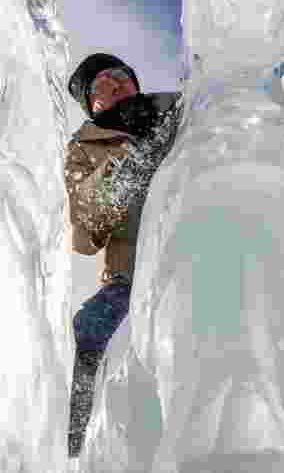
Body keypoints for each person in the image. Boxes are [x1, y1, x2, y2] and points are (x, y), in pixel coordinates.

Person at [63, 52, 182, 458]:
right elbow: (85, 232)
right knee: (84, 340)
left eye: (119, 75)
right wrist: (134, 157)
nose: (113, 83)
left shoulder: (181, 108)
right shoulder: (84, 148)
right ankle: (70, 453)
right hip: (129, 280)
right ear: (91, 106)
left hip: (192, 246)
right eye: (100, 85)